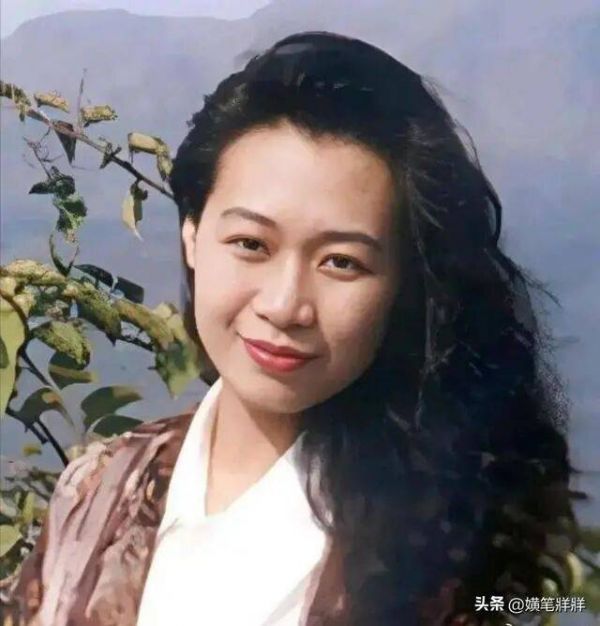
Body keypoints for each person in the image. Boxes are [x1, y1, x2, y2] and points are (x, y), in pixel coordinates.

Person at [6, 31, 580, 626]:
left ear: (404, 285)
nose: (285, 306)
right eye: (251, 244)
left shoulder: (452, 547)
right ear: (192, 236)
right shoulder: (100, 487)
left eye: (342, 262)